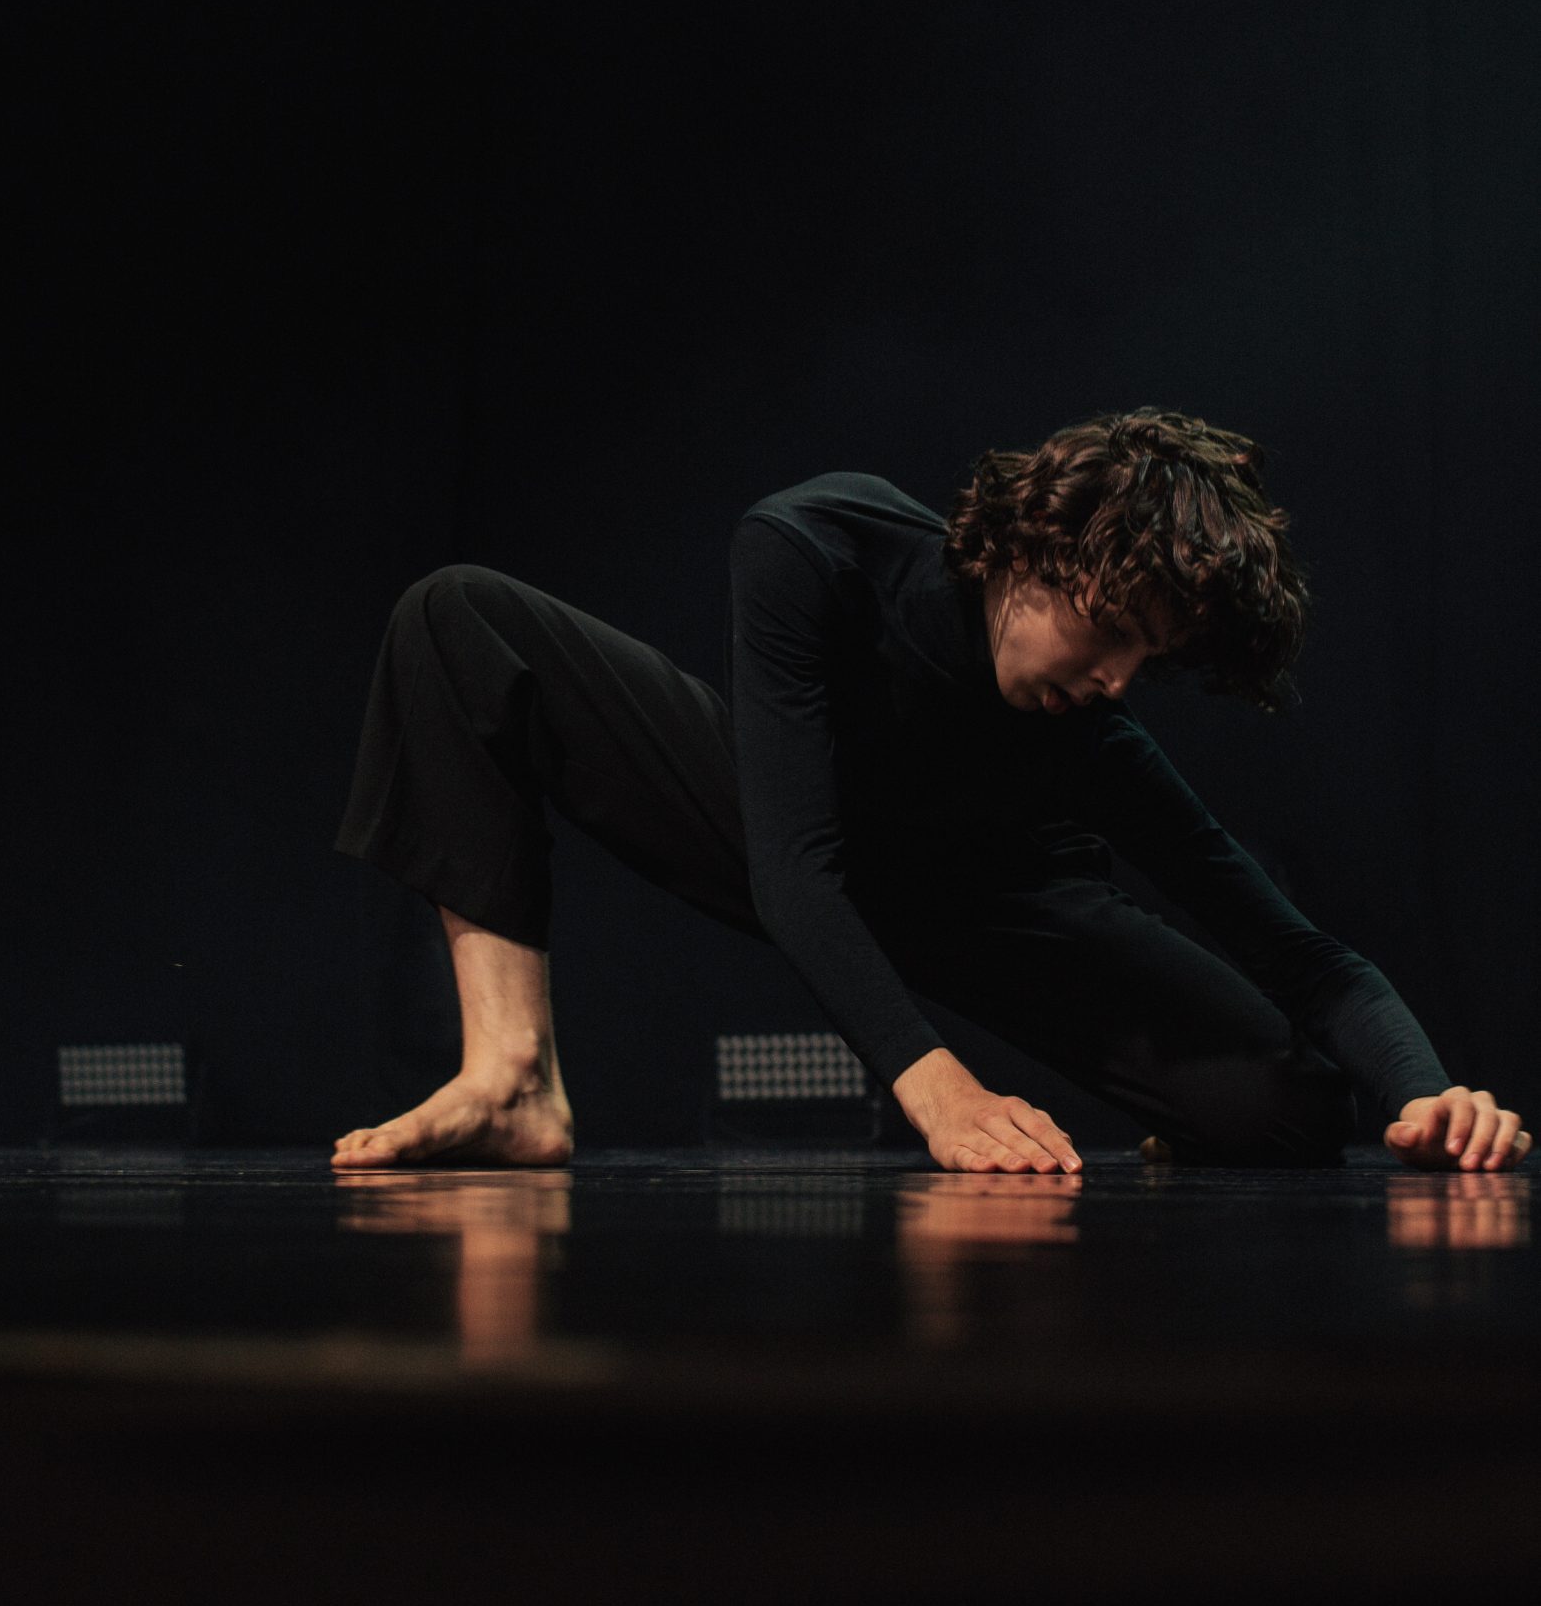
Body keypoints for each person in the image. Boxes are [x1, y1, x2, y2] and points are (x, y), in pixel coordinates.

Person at [328, 407, 1530, 1177]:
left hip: (993, 906)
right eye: (1112, 629)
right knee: (460, 621)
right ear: (1037, 544)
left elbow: (1310, 960)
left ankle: (1208, 1111)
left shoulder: (1093, 736)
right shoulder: (821, 549)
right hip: (793, 832)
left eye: (1149, 659)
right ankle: (512, 1074)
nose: (1118, 678)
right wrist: (937, 1086)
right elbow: (796, 867)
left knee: (1289, 1107)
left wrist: (1432, 1097)